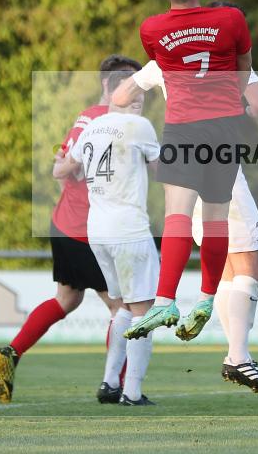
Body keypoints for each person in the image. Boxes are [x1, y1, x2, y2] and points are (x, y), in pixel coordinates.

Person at [112, 2, 258, 395]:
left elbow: (122, 96)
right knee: (249, 266)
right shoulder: (230, 60)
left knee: (224, 266)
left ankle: (231, 353)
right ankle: (239, 357)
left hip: (183, 156)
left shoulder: (165, 57)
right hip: (220, 158)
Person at [0, 54, 142, 403]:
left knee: (67, 299)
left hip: (67, 223)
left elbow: (60, 167)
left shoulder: (86, 116)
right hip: (91, 229)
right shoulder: (111, 121)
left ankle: (10, 354)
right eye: (133, 85)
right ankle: (115, 386)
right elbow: (65, 169)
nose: (138, 92)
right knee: (123, 309)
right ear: (111, 86)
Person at [123, 0, 253, 342]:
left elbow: (160, 65)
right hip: (227, 126)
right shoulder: (231, 20)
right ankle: (207, 300)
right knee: (215, 218)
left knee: (178, 215)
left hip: (183, 127)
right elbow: (244, 70)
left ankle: (165, 300)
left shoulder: (152, 28)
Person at [70, 70, 160, 406]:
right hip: (128, 227)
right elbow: (162, 169)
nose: (139, 105)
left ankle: (110, 382)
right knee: (144, 310)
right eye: (135, 98)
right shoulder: (139, 126)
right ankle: (132, 392)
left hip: (98, 228)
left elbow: (71, 164)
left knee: (121, 305)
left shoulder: (93, 126)